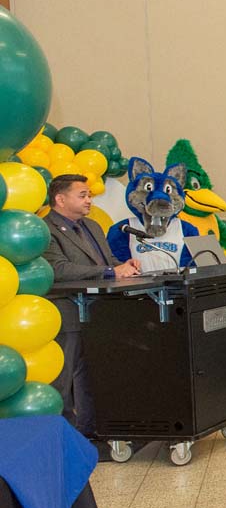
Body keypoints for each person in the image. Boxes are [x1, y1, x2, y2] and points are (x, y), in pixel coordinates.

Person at [43, 174, 141, 442]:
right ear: (60, 199)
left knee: (94, 376)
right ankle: (63, 438)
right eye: (83, 195)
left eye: (89, 195)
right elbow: (59, 269)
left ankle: (92, 432)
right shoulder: (46, 229)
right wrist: (111, 271)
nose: (89, 200)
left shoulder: (93, 227)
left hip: (99, 313)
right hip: (67, 313)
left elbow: (108, 260)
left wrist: (126, 266)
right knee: (63, 381)